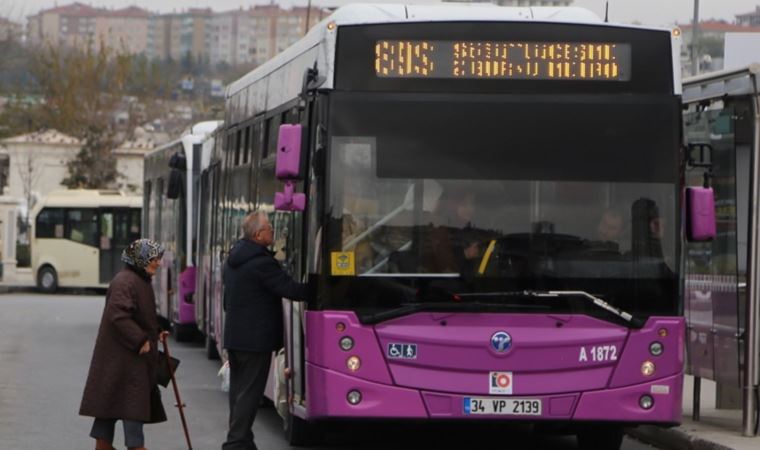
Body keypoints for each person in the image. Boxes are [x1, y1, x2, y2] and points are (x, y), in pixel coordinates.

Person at [222, 211, 309, 450]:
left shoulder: (232, 260)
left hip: (235, 337)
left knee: (239, 393)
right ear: (259, 235)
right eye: (270, 228)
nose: (274, 231)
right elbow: (290, 289)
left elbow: (226, 301)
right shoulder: (262, 263)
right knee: (250, 394)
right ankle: (236, 443)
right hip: (255, 340)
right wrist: (321, 286)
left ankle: (243, 440)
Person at [79, 238, 169, 450]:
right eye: (154, 258)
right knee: (130, 421)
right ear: (141, 259)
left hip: (122, 365)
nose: (158, 262)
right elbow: (118, 315)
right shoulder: (126, 282)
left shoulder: (136, 280)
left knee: (107, 416)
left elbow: (138, 315)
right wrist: (141, 340)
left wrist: (155, 333)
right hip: (126, 365)